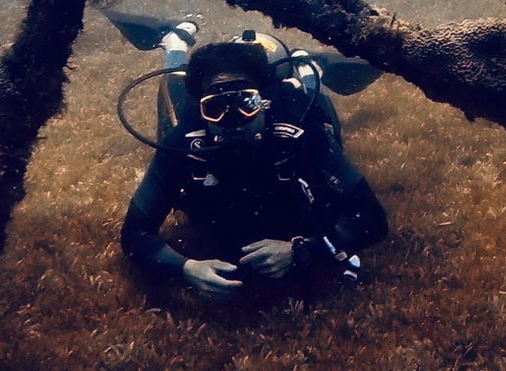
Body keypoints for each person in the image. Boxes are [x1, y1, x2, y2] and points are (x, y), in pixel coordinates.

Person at [120, 34, 388, 302]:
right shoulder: (185, 142)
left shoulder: (300, 134)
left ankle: (308, 69)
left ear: (264, 103)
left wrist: (303, 251)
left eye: (246, 104)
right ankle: (176, 41)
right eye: (215, 108)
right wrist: (185, 268)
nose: (233, 120)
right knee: (171, 111)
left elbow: (372, 219)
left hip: (294, 143)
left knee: (316, 112)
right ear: (203, 112)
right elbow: (135, 232)